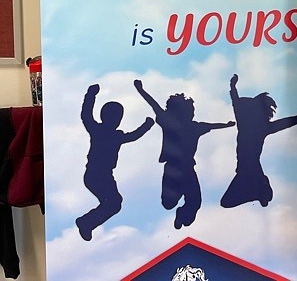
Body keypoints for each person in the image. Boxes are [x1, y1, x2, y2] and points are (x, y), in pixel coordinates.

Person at [134, 79, 235, 229]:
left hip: (187, 170)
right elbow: (154, 105)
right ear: (181, 112)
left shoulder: (195, 127)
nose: (193, 113)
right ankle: (178, 206)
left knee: (194, 201)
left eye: (193, 111)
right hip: (173, 169)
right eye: (190, 110)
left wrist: (226, 125)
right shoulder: (170, 122)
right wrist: (141, 90)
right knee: (168, 204)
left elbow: (212, 126)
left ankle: (182, 215)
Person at [76, 83, 154, 241]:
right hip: (95, 175)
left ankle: (86, 222)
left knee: (114, 203)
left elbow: (133, 136)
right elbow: (86, 115)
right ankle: (86, 222)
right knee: (113, 203)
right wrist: (90, 95)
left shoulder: (114, 135)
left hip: (103, 176)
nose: (117, 120)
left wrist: (147, 125)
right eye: (115, 117)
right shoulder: (98, 130)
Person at [221, 73, 297, 208]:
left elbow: (284, 123)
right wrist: (233, 86)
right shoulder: (256, 126)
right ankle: (258, 191)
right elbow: (236, 102)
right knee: (226, 202)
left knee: (226, 202)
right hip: (246, 169)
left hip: (249, 169)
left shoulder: (256, 126)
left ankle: (259, 190)